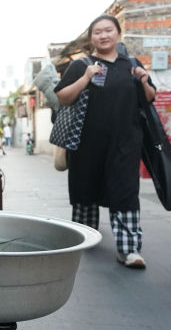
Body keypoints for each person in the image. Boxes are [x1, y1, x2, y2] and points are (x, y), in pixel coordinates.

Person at [54, 14, 156, 268]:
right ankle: (85, 238)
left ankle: (129, 249)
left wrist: (143, 81)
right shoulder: (81, 65)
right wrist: (86, 77)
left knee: (125, 193)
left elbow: (150, 98)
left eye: (108, 30)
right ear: (91, 38)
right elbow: (63, 98)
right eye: (97, 32)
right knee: (85, 191)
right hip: (86, 144)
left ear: (118, 33)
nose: (103, 35)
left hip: (125, 142)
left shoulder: (131, 64)